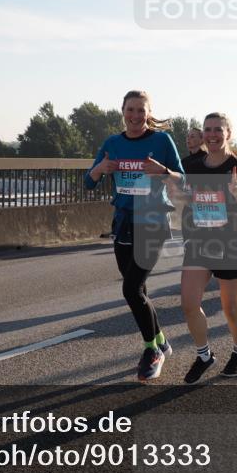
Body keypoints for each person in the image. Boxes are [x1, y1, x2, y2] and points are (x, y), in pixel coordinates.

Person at [85, 90, 184, 382]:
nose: (136, 116)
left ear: (149, 113)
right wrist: (100, 169)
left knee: (131, 289)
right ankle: (162, 341)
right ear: (123, 111)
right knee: (138, 291)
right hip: (124, 223)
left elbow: (183, 179)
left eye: (141, 110)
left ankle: (151, 350)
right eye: (131, 110)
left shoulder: (161, 141)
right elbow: (88, 182)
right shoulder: (112, 143)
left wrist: (162, 170)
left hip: (152, 220)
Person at [170, 112, 237, 383]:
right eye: (207, 129)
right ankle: (204, 355)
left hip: (230, 243)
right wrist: (176, 193)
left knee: (230, 307)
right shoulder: (193, 165)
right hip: (199, 242)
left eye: (217, 129)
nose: (212, 134)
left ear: (228, 133)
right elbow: (187, 200)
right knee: (188, 303)